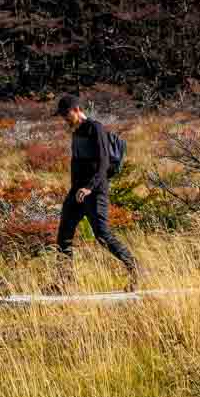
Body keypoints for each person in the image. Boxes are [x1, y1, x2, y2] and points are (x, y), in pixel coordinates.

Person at [53, 93, 137, 286]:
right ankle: (64, 282)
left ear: (76, 110)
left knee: (102, 235)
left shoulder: (95, 128)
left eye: (66, 115)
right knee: (64, 235)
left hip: (95, 192)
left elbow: (104, 162)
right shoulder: (76, 131)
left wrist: (89, 187)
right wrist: (75, 189)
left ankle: (135, 267)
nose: (64, 119)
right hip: (77, 193)